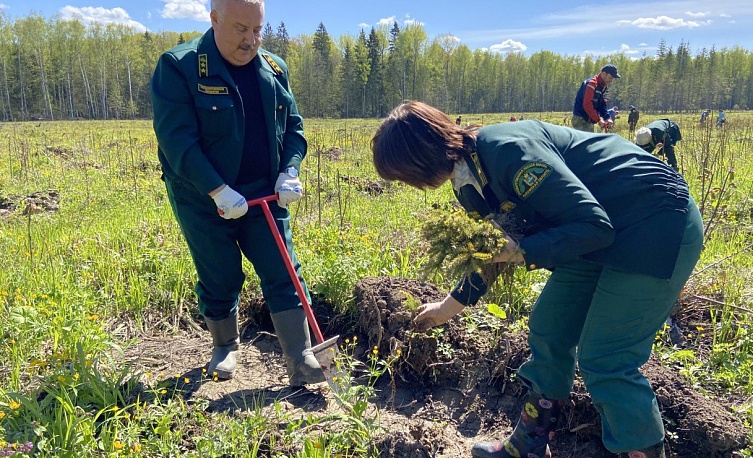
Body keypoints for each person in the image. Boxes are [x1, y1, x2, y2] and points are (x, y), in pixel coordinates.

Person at [371, 101, 703, 458]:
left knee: (606, 356)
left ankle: (641, 451)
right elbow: (494, 251)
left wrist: (520, 250)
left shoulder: (509, 152)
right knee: (549, 328)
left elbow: (592, 225)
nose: (410, 184)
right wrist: (446, 308)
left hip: (654, 223)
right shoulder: (467, 176)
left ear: (421, 157)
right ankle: (529, 444)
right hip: (593, 236)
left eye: (406, 174)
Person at [150, 0, 324, 386]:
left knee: (283, 270)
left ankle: (300, 356)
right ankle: (225, 346)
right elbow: (178, 142)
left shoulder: (274, 69)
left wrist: (289, 171)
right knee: (219, 273)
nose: (251, 41)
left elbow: (293, 128)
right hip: (203, 197)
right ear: (214, 20)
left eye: (258, 30)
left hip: (266, 193)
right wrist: (217, 189)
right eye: (241, 29)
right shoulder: (179, 67)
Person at [572, 64, 619, 132]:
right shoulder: (592, 84)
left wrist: (607, 117)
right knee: (587, 141)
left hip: (588, 119)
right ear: (603, 74)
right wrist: (598, 120)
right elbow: (587, 105)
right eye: (610, 77)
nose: (611, 81)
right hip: (581, 119)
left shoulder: (602, 86)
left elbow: (602, 103)